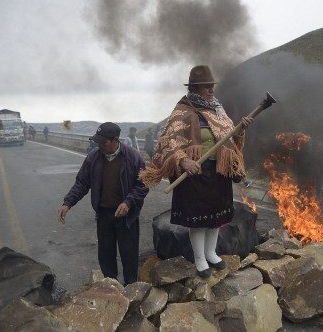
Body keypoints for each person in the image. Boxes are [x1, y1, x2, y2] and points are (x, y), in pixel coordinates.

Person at [139, 65, 253, 278]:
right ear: (194, 88)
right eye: (206, 87)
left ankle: (211, 253)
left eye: (212, 86)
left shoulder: (217, 109)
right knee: (199, 220)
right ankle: (200, 258)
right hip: (193, 173)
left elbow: (230, 140)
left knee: (217, 215)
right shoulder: (183, 111)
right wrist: (183, 161)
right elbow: (167, 142)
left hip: (218, 171)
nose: (211, 90)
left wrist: (241, 129)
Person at [57, 122, 148, 285]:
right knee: (106, 255)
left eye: (103, 142)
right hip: (104, 214)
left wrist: (128, 202)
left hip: (127, 216)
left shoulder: (133, 157)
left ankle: (131, 288)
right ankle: (111, 287)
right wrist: (67, 203)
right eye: (98, 141)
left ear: (115, 140)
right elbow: (82, 183)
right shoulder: (93, 157)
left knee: (129, 255)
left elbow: (143, 185)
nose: (100, 145)